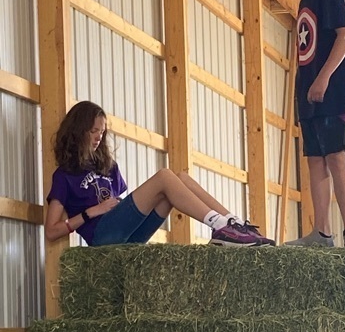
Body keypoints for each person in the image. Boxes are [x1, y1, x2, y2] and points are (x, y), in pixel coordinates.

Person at [44, 101, 274, 247]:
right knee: (164, 177)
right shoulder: (64, 176)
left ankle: (232, 223)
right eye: (94, 131)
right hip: (102, 236)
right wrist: (91, 212)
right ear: (78, 131)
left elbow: (120, 205)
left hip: (127, 236)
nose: (99, 138)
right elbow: (52, 231)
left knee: (179, 179)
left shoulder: (108, 166)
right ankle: (221, 226)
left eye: (102, 132)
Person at [268, 0, 345, 249]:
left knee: (337, 156)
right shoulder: (304, 3)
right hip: (309, 93)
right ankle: (322, 231)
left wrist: (324, 77)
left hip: (331, 91)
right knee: (314, 160)